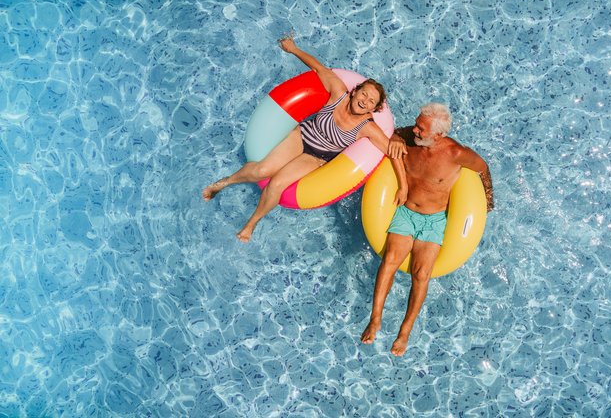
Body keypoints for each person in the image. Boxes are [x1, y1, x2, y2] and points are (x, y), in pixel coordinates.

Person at [203, 37, 393, 242]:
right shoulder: (339, 93)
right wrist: (293, 49)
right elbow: (319, 68)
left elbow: (391, 149)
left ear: (375, 109)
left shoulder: (368, 127)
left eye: (371, 101)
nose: (364, 101)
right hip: (301, 136)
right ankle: (224, 182)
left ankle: (251, 224)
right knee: (261, 170)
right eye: (363, 94)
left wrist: (400, 141)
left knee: (276, 184)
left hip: (317, 157)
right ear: (355, 91)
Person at [361, 103, 494, 356]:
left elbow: (482, 168)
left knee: (421, 275)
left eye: (422, 129)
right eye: (416, 124)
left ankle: (404, 332)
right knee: (389, 261)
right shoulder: (409, 139)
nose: (415, 130)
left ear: (439, 134)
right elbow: (393, 134)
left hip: (434, 220)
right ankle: (375, 318)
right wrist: (398, 137)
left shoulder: (456, 154)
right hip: (406, 211)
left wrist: (487, 199)